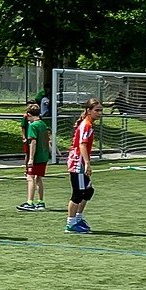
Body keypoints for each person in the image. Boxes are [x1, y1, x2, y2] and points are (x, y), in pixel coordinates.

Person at [63, 98, 99, 233]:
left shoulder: (88, 124)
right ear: (89, 111)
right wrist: (87, 163)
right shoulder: (86, 125)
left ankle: (78, 217)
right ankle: (71, 223)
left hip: (80, 162)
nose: (99, 113)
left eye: (100, 110)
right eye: (97, 110)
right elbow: (82, 145)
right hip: (78, 163)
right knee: (78, 193)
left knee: (88, 191)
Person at [18, 104, 52, 212]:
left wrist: (31, 158)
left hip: (36, 157)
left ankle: (30, 202)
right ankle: (41, 202)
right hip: (44, 156)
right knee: (39, 179)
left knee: (30, 177)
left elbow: (33, 142)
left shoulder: (33, 126)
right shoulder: (42, 124)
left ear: (29, 115)